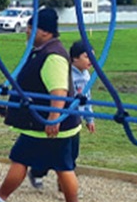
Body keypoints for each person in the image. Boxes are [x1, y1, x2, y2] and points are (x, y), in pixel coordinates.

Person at [0, 7, 87, 202]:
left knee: (24, 158)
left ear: (44, 32)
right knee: (61, 166)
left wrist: (53, 118)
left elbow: (59, 90)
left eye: (31, 28)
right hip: (48, 123)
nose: (27, 32)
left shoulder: (53, 56)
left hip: (50, 124)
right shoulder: (46, 50)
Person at [30, 39, 98, 190]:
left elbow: (87, 99)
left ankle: (64, 183)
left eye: (93, 57)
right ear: (74, 58)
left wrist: (89, 118)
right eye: (87, 56)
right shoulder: (66, 74)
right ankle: (37, 172)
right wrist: (56, 117)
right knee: (53, 150)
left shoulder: (86, 76)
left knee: (73, 152)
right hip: (63, 118)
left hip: (76, 121)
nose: (91, 61)